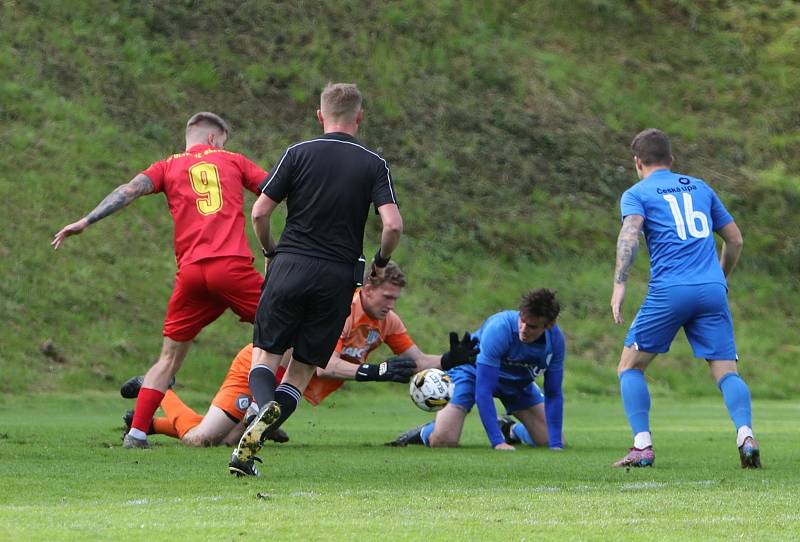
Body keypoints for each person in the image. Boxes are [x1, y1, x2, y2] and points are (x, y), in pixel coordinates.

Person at [52, 112, 268, 449]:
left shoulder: (166, 166)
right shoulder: (233, 160)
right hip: (232, 267)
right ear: (214, 139)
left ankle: (136, 433)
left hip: (193, 273)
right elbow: (274, 190)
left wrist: (85, 221)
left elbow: (128, 190)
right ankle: (257, 406)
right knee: (285, 328)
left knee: (168, 357)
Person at [229, 83, 404, 476]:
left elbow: (259, 213)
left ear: (320, 116)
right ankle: (254, 443)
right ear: (359, 116)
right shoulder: (374, 164)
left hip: (291, 264)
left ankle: (260, 407)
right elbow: (392, 225)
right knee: (303, 368)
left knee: (266, 355)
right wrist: (380, 262)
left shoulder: (297, 153)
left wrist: (272, 251)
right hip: (340, 274)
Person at [119, 263, 477, 447]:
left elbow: (414, 359)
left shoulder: (387, 321)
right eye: (387, 297)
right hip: (259, 370)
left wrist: (448, 360)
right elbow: (324, 364)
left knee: (226, 439)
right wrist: (377, 371)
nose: (391, 305)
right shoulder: (342, 310)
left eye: (396, 299)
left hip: (285, 383)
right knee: (200, 441)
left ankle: (150, 422)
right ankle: (159, 390)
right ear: (367, 288)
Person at [610, 128, 759, 468]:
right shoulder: (701, 188)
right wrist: (720, 279)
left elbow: (630, 235)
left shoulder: (636, 193)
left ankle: (642, 447)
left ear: (637, 162)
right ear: (671, 160)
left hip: (669, 290)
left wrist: (620, 284)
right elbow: (735, 240)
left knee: (629, 368)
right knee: (727, 373)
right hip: (711, 291)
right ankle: (746, 435)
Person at [389, 289, 565, 451]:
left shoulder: (555, 341)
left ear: (549, 325)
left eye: (532, 326)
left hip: (517, 383)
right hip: (472, 373)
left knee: (551, 439)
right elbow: (484, 390)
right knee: (444, 440)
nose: (523, 329)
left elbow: (554, 393)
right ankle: (425, 432)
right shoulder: (500, 328)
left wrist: (556, 445)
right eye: (522, 321)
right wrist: (497, 442)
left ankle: (511, 430)